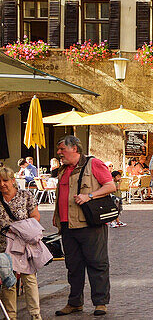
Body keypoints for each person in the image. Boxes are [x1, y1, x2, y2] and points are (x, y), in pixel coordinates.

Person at [53, 135, 116, 317]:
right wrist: (58, 217)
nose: (59, 153)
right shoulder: (63, 169)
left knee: (97, 263)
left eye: (62, 149)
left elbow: (110, 186)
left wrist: (89, 196)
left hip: (89, 224)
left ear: (75, 149)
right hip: (67, 226)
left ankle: (100, 302)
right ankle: (74, 302)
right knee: (73, 266)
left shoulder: (93, 164)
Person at [0, 164, 45, 320]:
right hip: (3, 246)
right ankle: (11, 316)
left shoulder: (25, 195)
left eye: (5, 180)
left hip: (24, 245)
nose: (2, 184)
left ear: (13, 180)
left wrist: (21, 228)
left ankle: (35, 315)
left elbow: (36, 217)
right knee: (8, 281)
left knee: (29, 279)